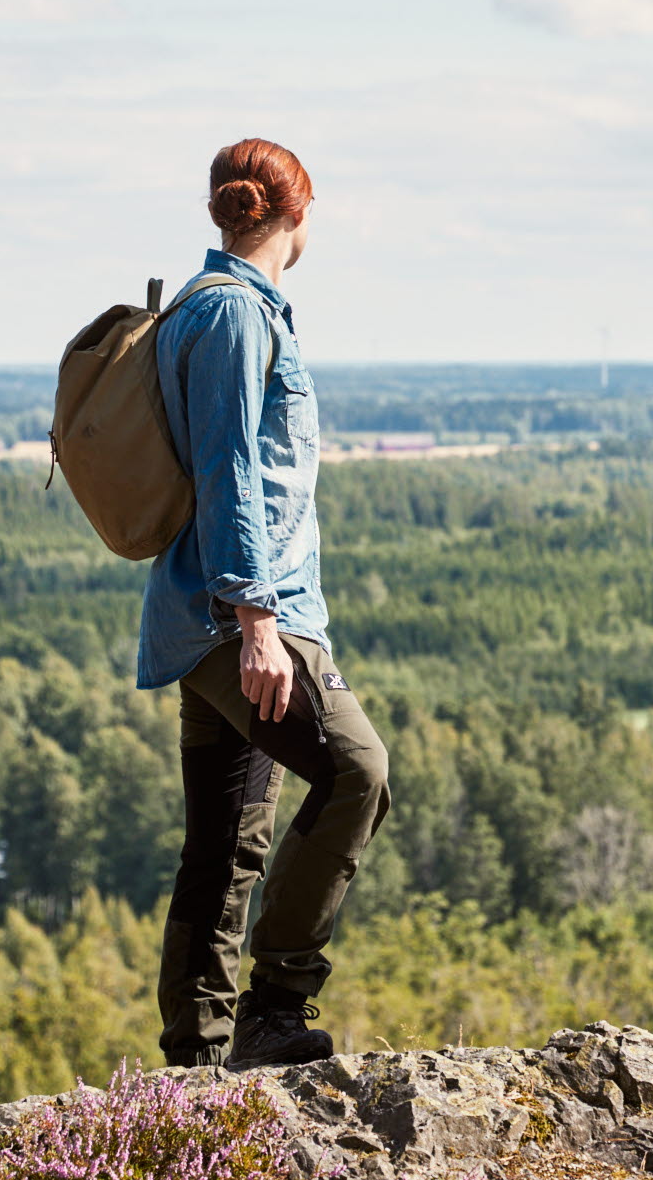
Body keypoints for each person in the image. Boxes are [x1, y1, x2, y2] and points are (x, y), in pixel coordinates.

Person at [139, 137, 390, 1071]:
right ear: (295, 213)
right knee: (360, 771)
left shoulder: (198, 310)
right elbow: (231, 470)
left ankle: (197, 1060)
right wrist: (258, 624)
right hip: (243, 621)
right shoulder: (239, 318)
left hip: (198, 618)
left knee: (224, 845)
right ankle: (278, 1000)